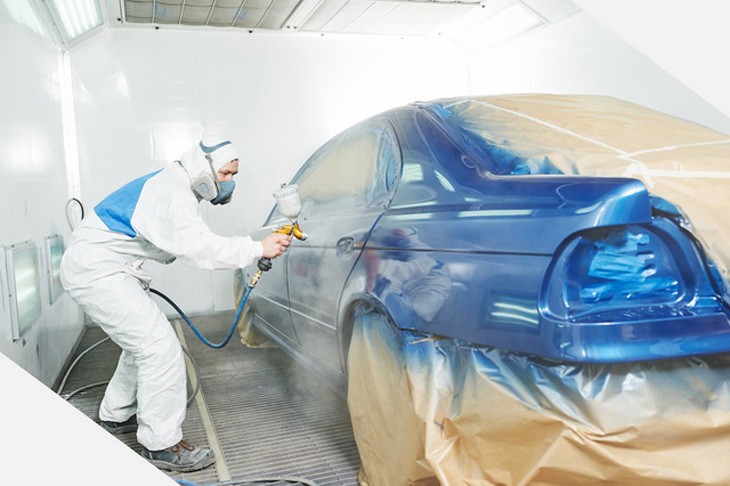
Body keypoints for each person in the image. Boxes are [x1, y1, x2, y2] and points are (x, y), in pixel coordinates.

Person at [60, 136, 290, 472]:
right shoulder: (171, 191)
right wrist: (257, 248)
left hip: (105, 269)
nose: (229, 183)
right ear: (204, 166)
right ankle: (162, 445)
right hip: (97, 272)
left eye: (233, 175)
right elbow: (197, 246)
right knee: (159, 348)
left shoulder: (177, 186)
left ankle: (115, 415)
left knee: (141, 346)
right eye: (226, 174)